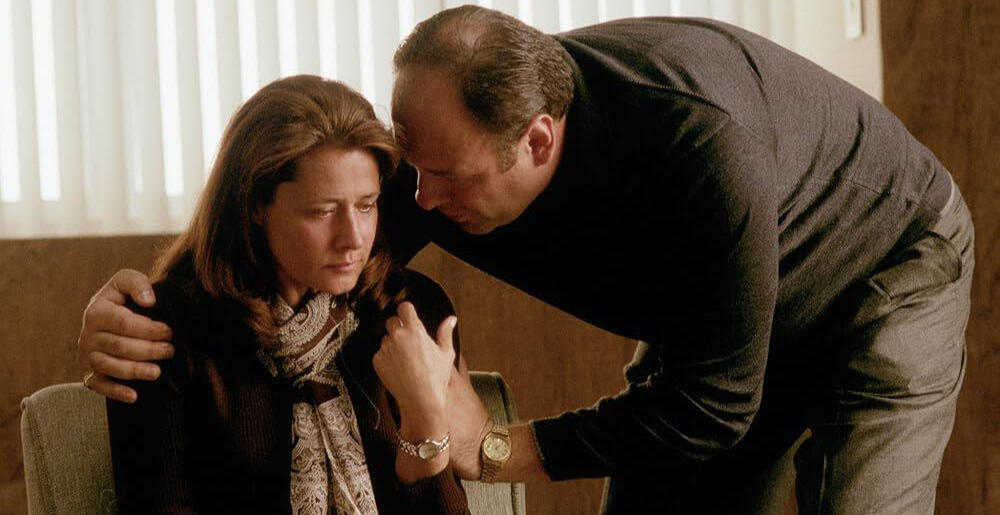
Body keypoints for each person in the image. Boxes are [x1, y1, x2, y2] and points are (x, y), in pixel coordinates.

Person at [80, 6, 974, 514]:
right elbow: (279, 231)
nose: (414, 202)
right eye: (408, 169)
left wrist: (489, 444)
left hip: (883, 269)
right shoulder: (443, 160)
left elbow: (712, 408)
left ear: (537, 142)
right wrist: (132, 307)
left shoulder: (701, 152)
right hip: (715, 313)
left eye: (444, 179)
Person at [104, 74, 477, 514]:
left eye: (366, 205)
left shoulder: (414, 311)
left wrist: (426, 422)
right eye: (322, 211)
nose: (353, 239)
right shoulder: (164, 330)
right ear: (255, 205)